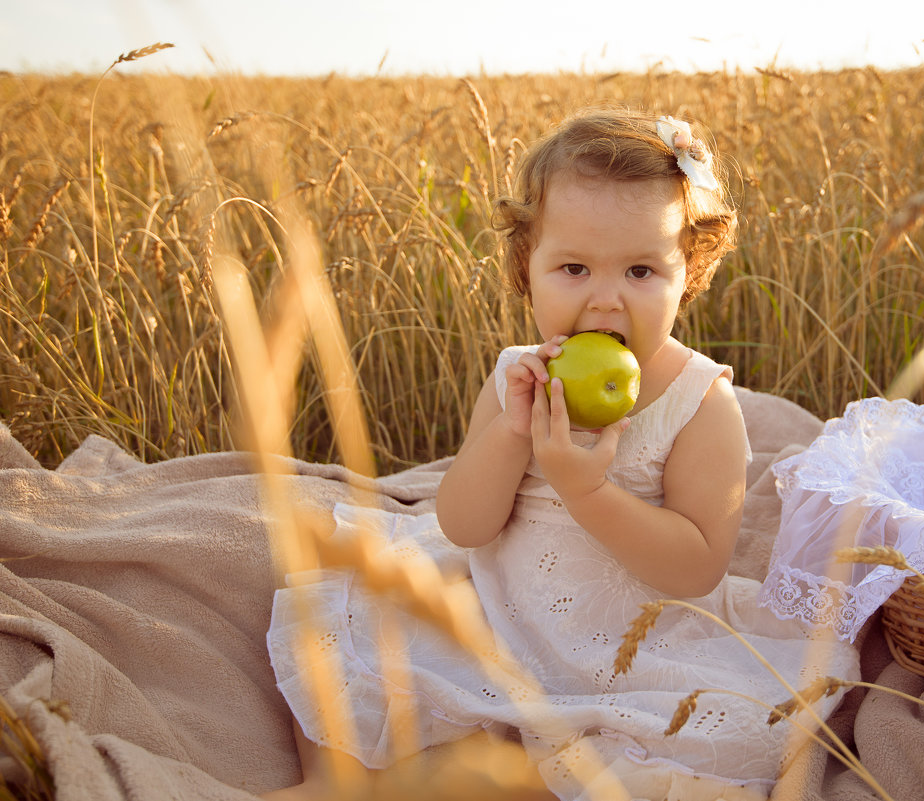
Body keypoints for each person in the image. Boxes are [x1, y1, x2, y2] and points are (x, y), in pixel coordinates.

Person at [265, 108, 858, 801]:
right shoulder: (518, 376)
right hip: (499, 610)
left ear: (687, 272)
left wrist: (590, 494)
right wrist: (510, 435)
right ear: (527, 267)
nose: (605, 299)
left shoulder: (701, 406)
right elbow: (462, 522)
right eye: (573, 268)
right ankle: (336, 781)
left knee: (681, 748)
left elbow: (698, 564)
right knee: (357, 651)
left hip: (633, 643)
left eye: (641, 270)